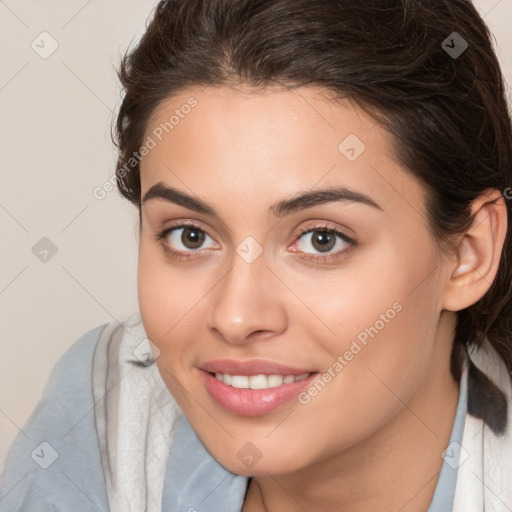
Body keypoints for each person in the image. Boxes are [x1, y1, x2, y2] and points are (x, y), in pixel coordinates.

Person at [1, 0, 511, 510]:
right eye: (190, 236)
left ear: (469, 253)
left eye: (321, 240)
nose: (237, 316)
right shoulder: (104, 409)